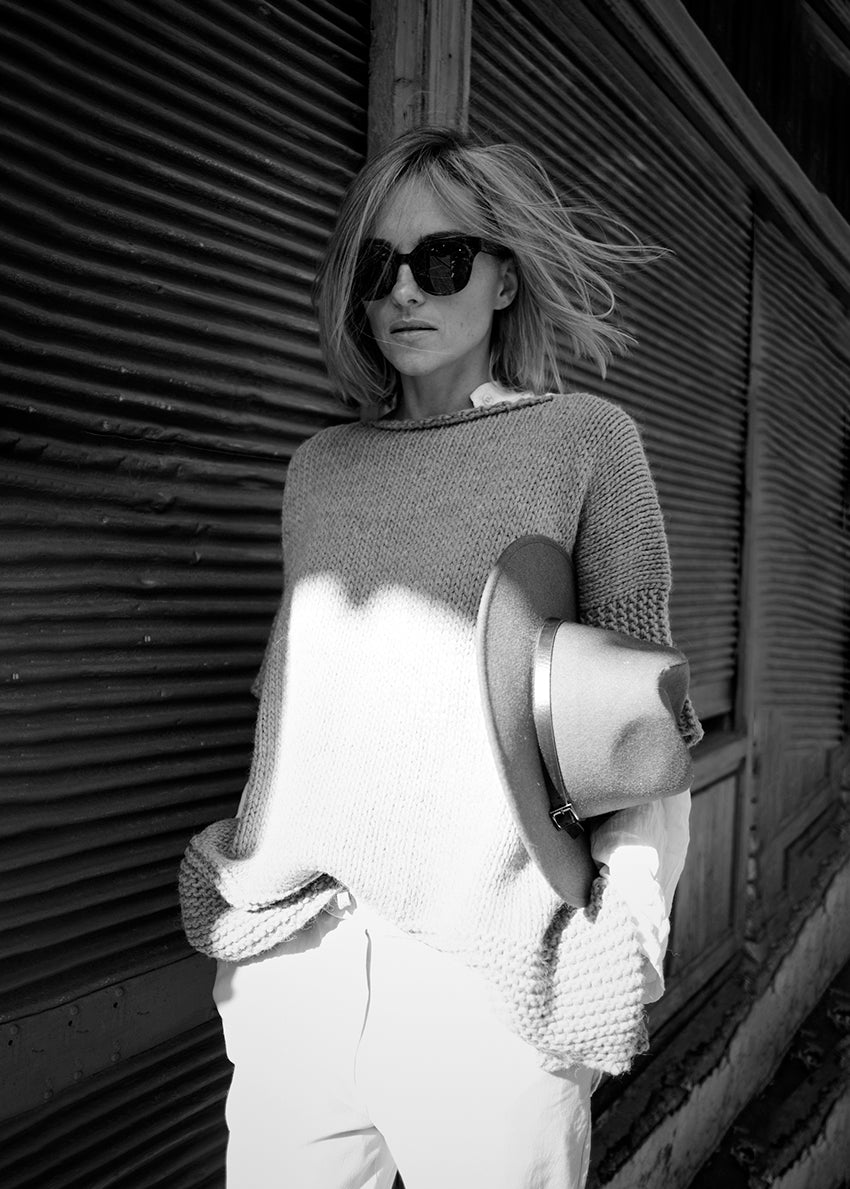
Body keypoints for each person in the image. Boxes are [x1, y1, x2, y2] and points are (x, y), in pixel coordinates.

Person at [180, 126, 702, 1189]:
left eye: (443, 259)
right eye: (378, 266)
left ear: (504, 278)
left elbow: (640, 725)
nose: (405, 290)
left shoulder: (585, 440)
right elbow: (303, 705)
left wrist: (626, 931)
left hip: (487, 985)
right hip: (302, 965)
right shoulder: (319, 468)